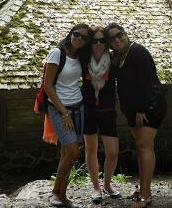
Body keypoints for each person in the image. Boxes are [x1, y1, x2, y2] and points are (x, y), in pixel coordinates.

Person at [105, 23, 166, 208]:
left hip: (148, 107)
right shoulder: (120, 57)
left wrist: (141, 109)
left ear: (125, 34)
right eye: (112, 38)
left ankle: (145, 196)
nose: (117, 39)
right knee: (144, 148)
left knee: (143, 146)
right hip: (133, 110)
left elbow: (147, 80)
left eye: (119, 35)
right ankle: (143, 190)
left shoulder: (137, 51)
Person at [44, 23, 92, 208]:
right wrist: (64, 112)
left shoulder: (79, 55)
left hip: (77, 107)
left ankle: (63, 195)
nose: (79, 38)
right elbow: (48, 86)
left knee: (67, 152)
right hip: (60, 109)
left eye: (83, 37)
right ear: (70, 34)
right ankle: (55, 192)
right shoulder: (57, 53)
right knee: (73, 152)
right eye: (76, 34)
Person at [81, 26, 121, 204]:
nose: (98, 43)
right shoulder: (83, 60)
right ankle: (96, 187)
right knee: (91, 149)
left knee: (113, 152)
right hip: (88, 110)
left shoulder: (113, 60)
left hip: (108, 110)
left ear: (107, 44)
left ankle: (107, 184)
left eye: (102, 40)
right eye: (95, 40)